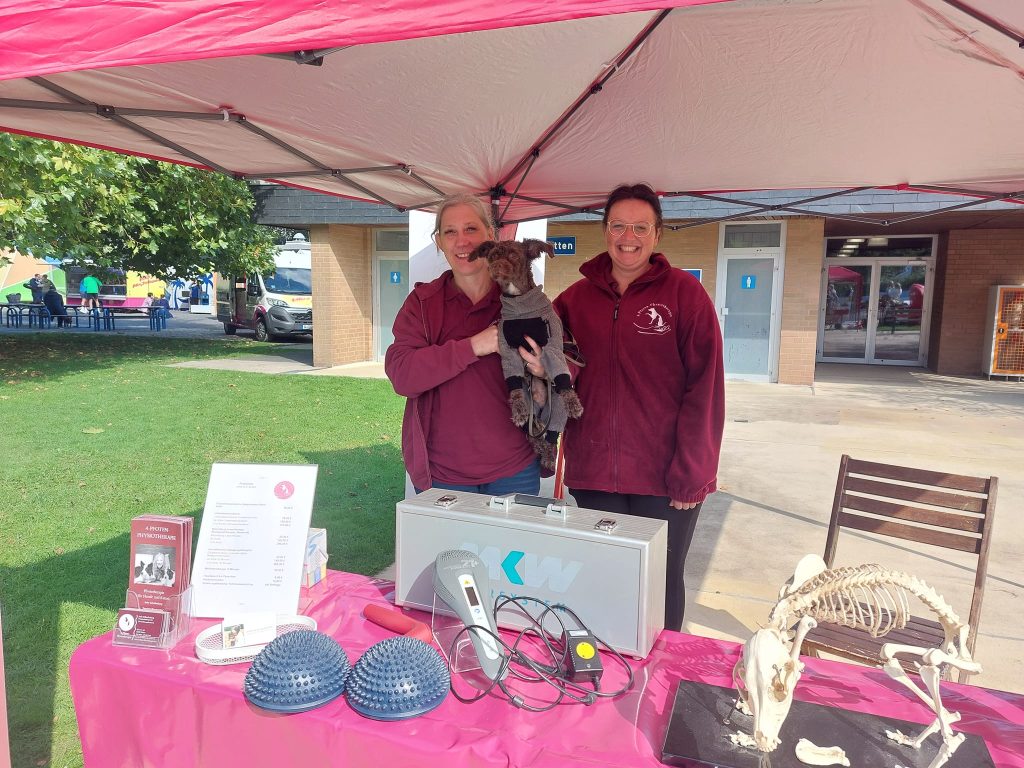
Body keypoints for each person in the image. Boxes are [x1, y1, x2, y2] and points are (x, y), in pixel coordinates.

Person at [551, 183, 725, 632]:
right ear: (605, 230)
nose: (628, 236)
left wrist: (693, 473)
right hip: (595, 473)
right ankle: (609, 677)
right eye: (618, 225)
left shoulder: (685, 295)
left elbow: (705, 389)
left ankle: (663, 685)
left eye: (640, 227)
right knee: (604, 580)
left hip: (664, 478)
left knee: (660, 583)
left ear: (657, 234)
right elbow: (545, 360)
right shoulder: (574, 300)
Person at [385, 193, 541, 495]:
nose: (462, 241)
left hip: (515, 468)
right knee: (449, 547)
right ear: (439, 241)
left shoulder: (523, 300)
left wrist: (545, 368)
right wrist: (473, 346)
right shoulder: (422, 304)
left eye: (471, 229)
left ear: (490, 236)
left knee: (511, 545)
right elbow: (402, 375)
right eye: (450, 232)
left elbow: (563, 363)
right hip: (444, 472)